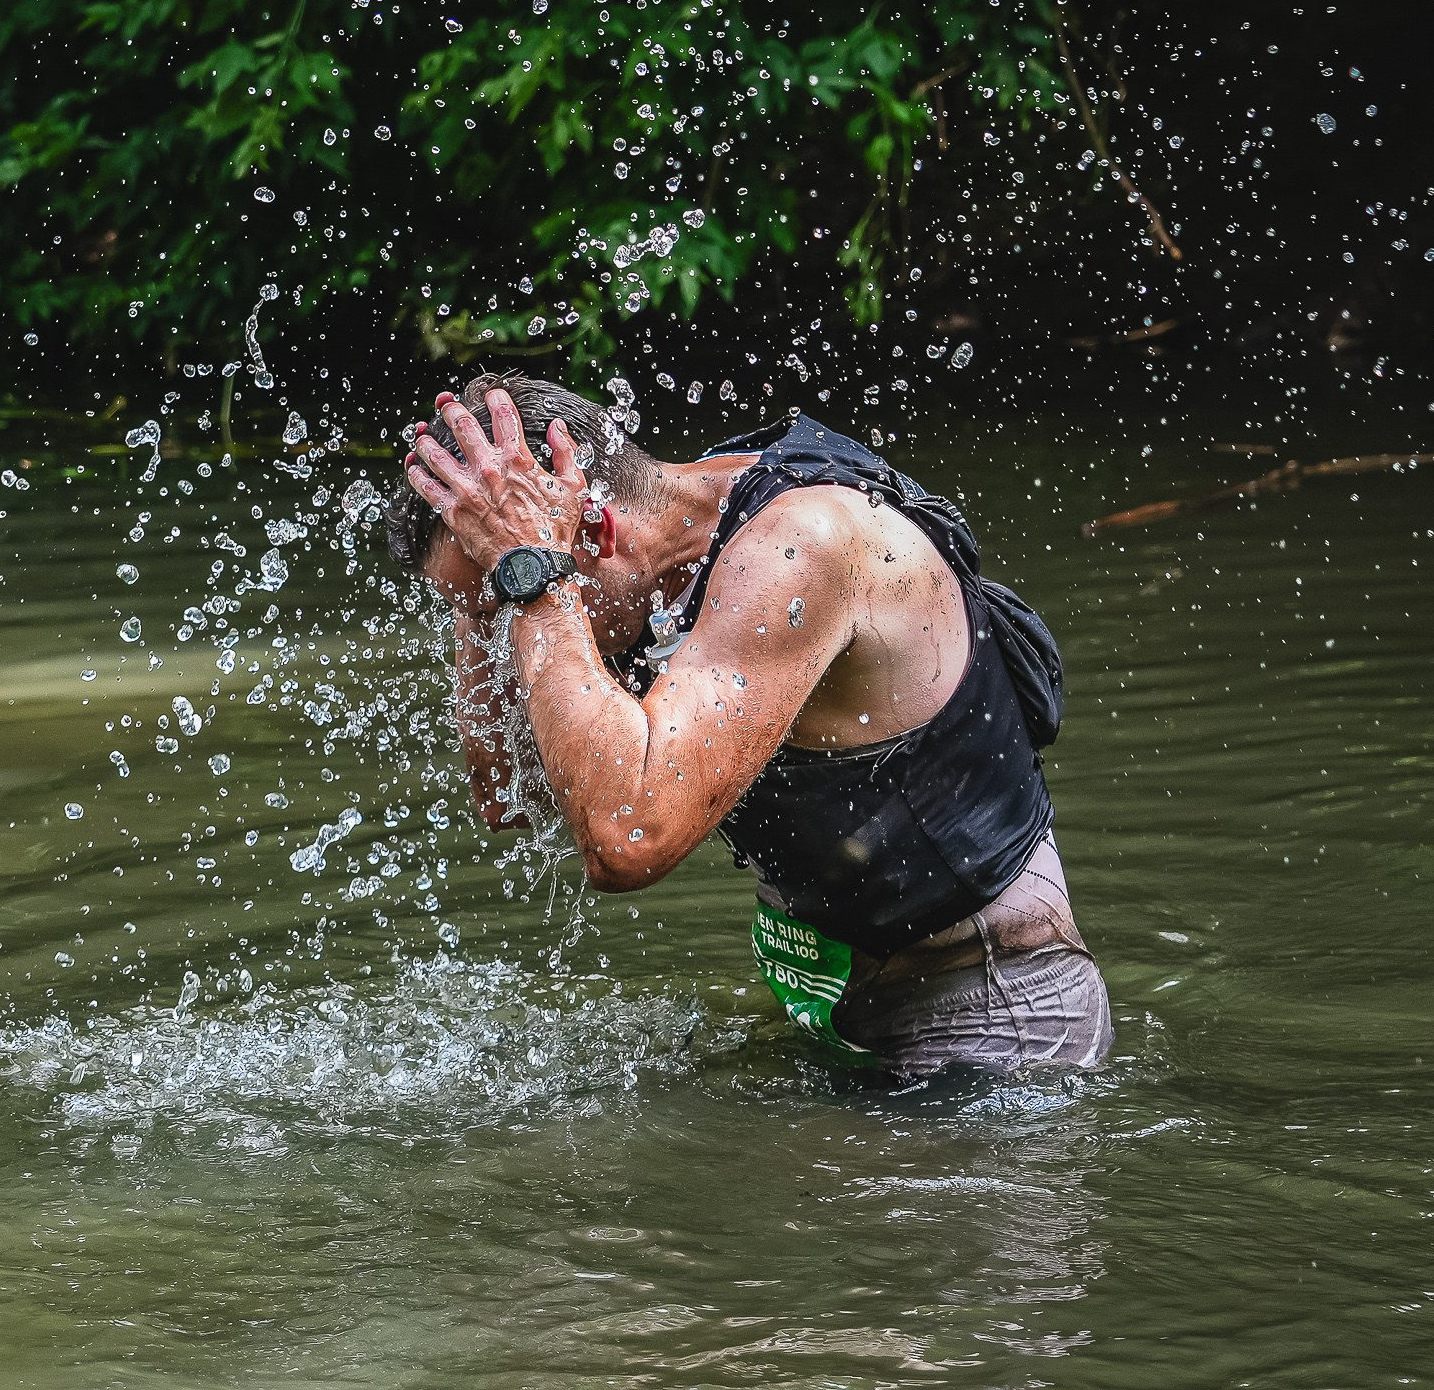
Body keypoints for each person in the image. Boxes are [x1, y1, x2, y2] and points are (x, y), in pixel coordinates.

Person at [386, 372, 1112, 1078]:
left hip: (995, 1011)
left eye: (503, 610)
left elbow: (627, 840)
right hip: (835, 1000)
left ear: (596, 530)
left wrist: (530, 577)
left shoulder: (798, 546)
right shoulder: (637, 563)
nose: (506, 644)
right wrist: (497, 574)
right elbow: (511, 795)